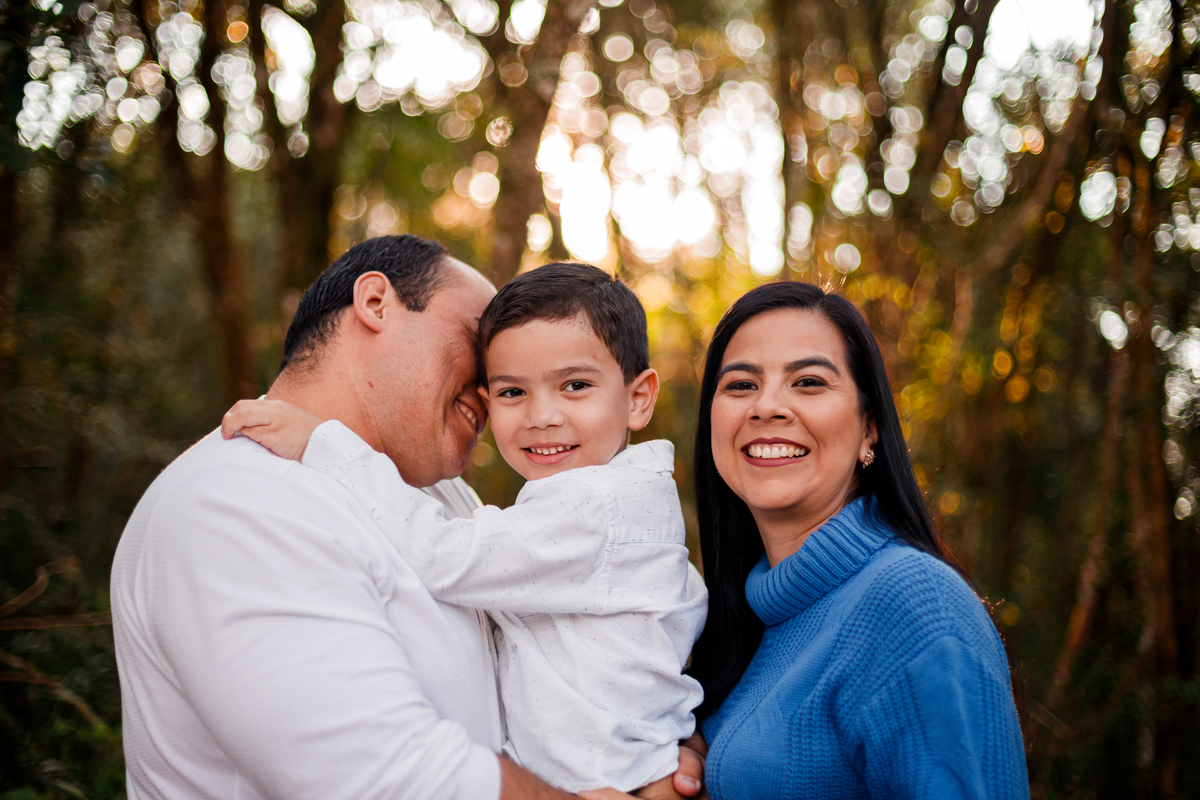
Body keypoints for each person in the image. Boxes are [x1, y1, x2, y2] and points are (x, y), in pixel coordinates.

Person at [110, 236, 703, 800]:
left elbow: (608, 633)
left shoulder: (439, 497)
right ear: (375, 304)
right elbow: (384, 776)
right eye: (492, 367)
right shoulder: (236, 501)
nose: (490, 394)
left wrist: (661, 741)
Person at [686, 281, 1029, 799]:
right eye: (740, 386)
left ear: (870, 429)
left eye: (808, 382)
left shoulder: (914, 604)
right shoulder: (736, 624)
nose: (767, 406)